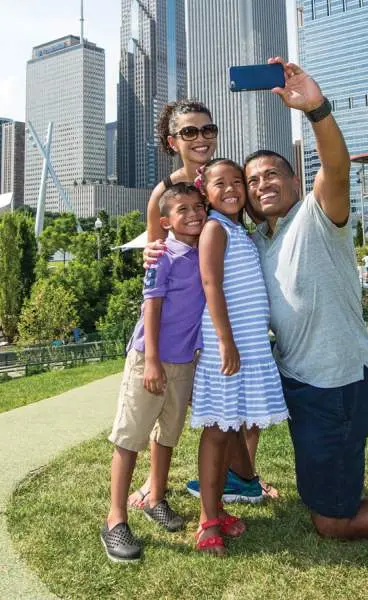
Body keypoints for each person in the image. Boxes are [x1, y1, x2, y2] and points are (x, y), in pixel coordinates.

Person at [243, 57, 368, 540]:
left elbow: (336, 165)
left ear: (295, 182)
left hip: (337, 386)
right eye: (253, 181)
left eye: (272, 175)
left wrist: (316, 110)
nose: (261, 184)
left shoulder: (317, 215)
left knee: (332, 521)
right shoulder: (260, 243)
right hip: (301, 384)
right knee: (325, 496)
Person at [130, 99, 277, 509]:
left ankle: (242, 476)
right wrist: (149, 254)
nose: (200, 138)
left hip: (229, 312)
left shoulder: (226, 180)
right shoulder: (167, 190)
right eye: (190, 131)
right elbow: (157, 253)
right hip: (185, 316)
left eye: (207, 129)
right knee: (171, 405)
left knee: (239, 402)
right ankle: (156, 485)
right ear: (172, 140)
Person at [101, 183, 207, 562]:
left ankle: (155, 497)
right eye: (183, 209)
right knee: (130, 436)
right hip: (151, 357)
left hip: (184, 362)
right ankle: (115, 519)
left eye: (199, 206)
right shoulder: (162, 254)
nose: (194, 213)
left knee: (167, 435)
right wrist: (152, 361)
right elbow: (152, 306)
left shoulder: (205, 252)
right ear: (165, 221)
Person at [192, 158, 288, 555]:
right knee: (217, 432)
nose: (232, 189)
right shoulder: (214, 229)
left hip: (247, 345)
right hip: (226, 346)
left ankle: (220, 507)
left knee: (232, 426)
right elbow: (211, 285)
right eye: (221, 183)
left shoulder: (237, 229)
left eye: (238, 182)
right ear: (205, 191)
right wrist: (225, 340)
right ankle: (207, 520)